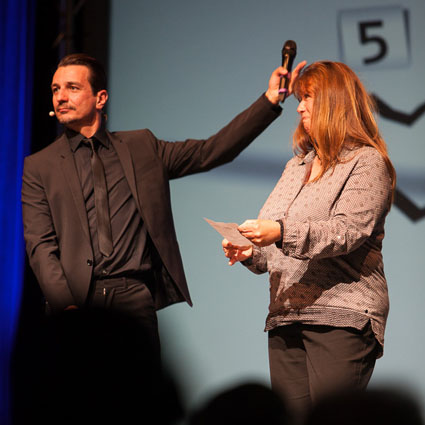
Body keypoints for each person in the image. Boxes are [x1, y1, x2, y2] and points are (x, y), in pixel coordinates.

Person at [21, 53, 306, 351]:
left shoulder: (141, 147)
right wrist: (66, 307)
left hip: (133, 298)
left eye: (72, 88)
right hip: (77, 302)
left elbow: (211, 151)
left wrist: (270, 100)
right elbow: (41, 246)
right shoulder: (40, 166)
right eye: (55, 89)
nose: (61, 97)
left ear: (100, 98)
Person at [222, 61, 396, 420]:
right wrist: (250, 251)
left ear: (334, 102)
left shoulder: (366, 162)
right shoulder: (296, 167)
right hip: (286, 315)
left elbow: (347, 231)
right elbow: (274, 242)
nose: (299, 107)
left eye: (308, 97)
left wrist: (280, 232)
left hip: (341, 315)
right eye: (300, 98)